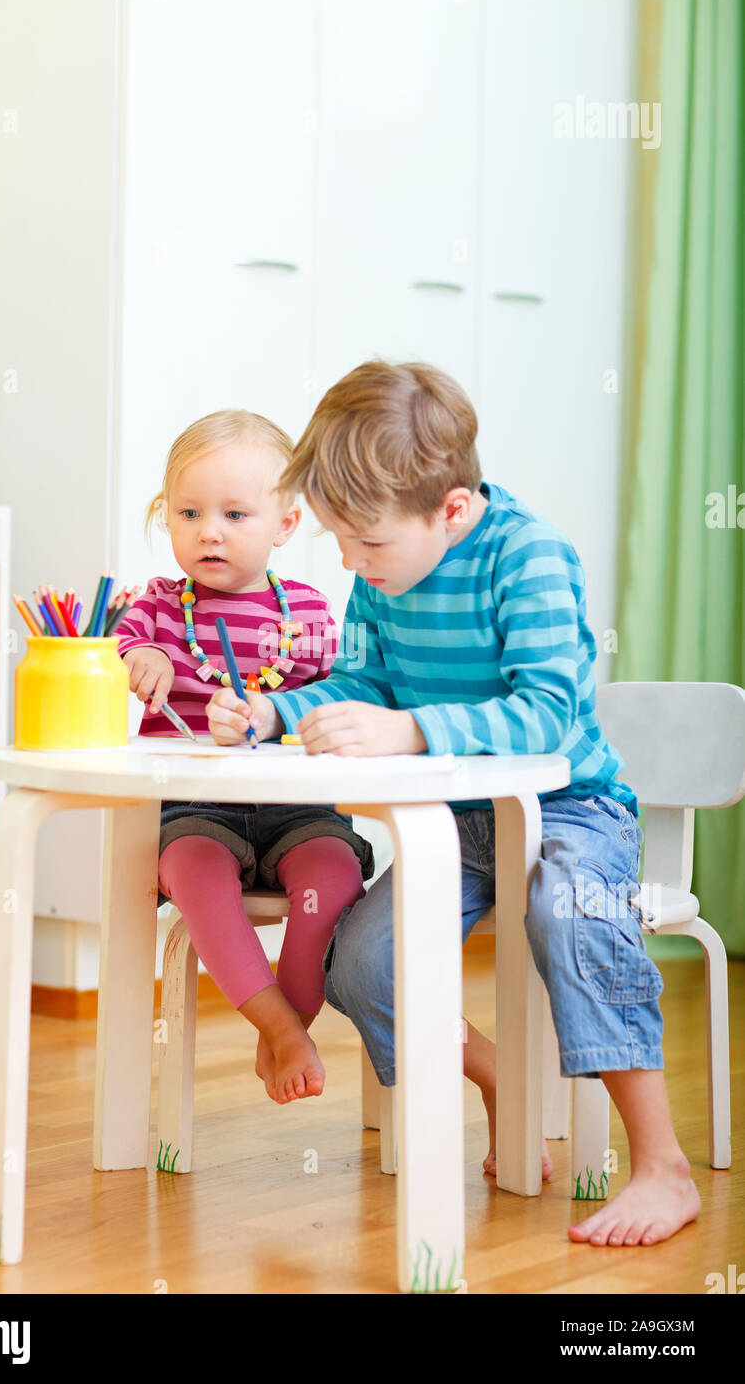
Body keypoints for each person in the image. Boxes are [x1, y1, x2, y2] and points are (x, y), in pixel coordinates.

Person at [207, 361, 701, 1247]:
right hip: (462, 823)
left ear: (454, 511)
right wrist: (278, 709)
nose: (353, 565)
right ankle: (498, 1076)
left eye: (368, 545)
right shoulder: (384, 572)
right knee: (360, 963)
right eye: (340, 544)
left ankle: (662, 1164)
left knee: (570, 913)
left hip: (573, 810)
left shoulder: (531, 555)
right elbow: (361, 678)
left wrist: (411, 732)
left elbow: (548, 713)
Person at [114, 409, 373, 1106]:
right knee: (195, 872)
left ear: (285, 525)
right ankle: (277, 1024)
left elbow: (349, 695)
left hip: (298, 810)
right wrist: (137, 659)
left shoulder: (312, 617)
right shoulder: (159, 609)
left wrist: (306, 715)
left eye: (234, 513)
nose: (210, 531)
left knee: (336, 870)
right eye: (189, 512)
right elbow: (115, 652)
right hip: (197, 812)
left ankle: (290, 1023)